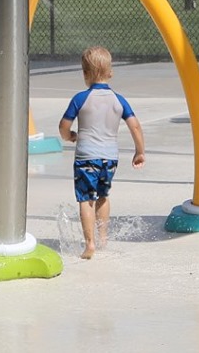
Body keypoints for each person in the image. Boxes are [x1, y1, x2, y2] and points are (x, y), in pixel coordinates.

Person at [57, 46, 145, 260]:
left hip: (86, 157)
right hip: (110, 159)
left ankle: (90, 244)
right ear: (110, 72)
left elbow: (63, 126)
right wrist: (139, 151)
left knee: (86, 200)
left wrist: (69, 137)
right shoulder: (119, 100)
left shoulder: (80, 99)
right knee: (103, 197)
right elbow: (135, 126)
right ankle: (103, 237)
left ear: (85, 74)